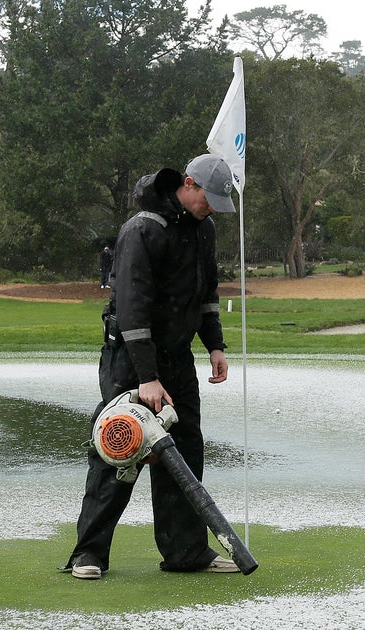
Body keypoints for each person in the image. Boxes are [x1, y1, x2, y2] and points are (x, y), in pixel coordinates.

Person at [62, 153, 237, 580]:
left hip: (178, 360)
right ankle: (89, 553)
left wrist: (214, 345)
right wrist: (147, 378)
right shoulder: (141, 229)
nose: (211, 207)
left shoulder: (204, 230)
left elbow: (207, 294)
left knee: (186, 453)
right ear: (189, 184)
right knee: (119, 451)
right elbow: (131, 309)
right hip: (130, 359)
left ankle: (186, 552)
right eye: (208, 198)